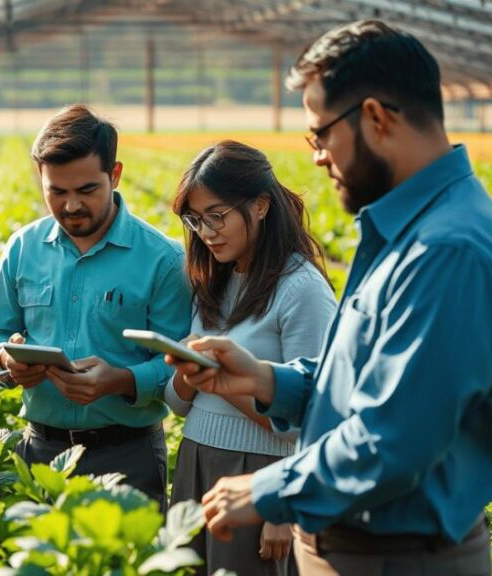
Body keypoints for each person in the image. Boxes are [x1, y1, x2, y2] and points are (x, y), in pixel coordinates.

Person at [168, 20, 492, 576]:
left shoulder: (448, 249)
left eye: (320, 135)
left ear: (375, 118)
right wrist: (267, 379)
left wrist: (269, 487)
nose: (318, 157)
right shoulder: (411, 230)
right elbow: (367, 381)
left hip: (399, 557)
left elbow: (395, 437)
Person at [0, 104, 191, 509]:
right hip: (41, 453)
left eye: (87, 190)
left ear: (115, 174)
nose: (72, 206)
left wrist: (121, 381)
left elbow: (181, 363)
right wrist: (7, 359)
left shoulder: (162, 259)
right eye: (57, 192)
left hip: (128, 456)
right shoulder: (23, 248)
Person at [165, 140, 336, 575]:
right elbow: (179, 404)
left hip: (258, 473)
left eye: (216, 216)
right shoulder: (214, 278)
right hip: (196, 462)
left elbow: (314, 416)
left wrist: (283, 508)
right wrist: (187, 374)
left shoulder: (301, 288)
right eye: (195, 220)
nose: (206, 232)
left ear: (260, 206)